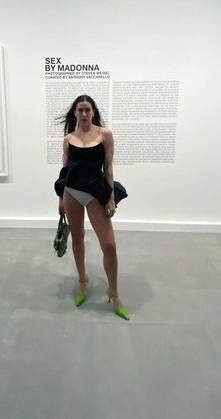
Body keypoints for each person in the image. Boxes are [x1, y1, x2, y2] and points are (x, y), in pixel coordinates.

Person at [55, 94, 129, 320]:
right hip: (72, 193)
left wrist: (110, 198)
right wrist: (61, 198)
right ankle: (82, 281)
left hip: (96, 193)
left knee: (109, 245)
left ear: (93, 111)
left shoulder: (105, 134)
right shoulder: (69, 138)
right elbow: (65, 170)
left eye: (88, 109)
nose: (84, 113)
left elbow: (108, 167)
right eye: (80, 110)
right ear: (75, 112)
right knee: (77, 237)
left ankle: (113, 292)